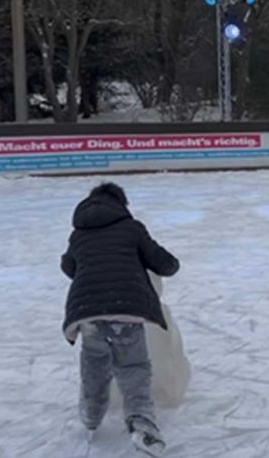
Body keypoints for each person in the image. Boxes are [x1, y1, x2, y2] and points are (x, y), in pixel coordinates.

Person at [60, 182, 180, 458]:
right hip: (125, 309)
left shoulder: (78, 234)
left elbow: (68, 266)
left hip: (87, 313)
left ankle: (91, 414)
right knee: (133, 366)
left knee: (95, 363)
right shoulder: (131, 227)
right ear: (121, 204)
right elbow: (164, 263)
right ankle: (141, 423)